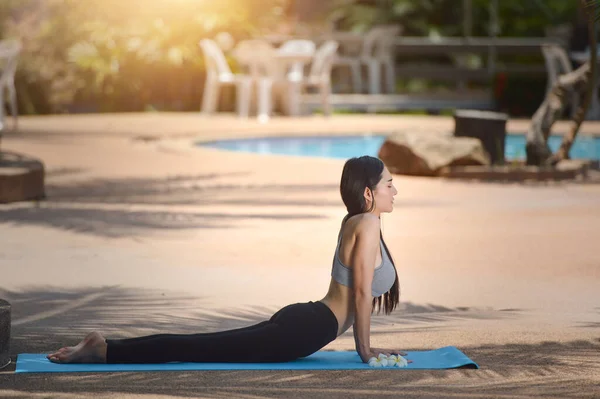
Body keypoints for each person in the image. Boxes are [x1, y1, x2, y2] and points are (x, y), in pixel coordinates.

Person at [47, 155, 410, 365]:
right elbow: (362, 294)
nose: (395, 190)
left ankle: (106, 348)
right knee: (198, 347)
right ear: (368, 192)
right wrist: (365, 350)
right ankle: (104, 350)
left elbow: (359, 293)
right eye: (389, 184)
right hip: (307, 329)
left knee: (201, 343)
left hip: (307, 319)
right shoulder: (367, 223)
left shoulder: (358, 221)